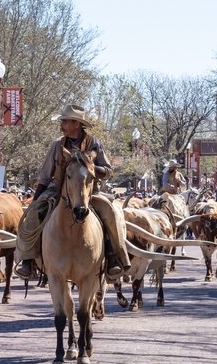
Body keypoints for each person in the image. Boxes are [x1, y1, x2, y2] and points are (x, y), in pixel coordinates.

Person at [14, 104, 130, 279]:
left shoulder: (94, 143)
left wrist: (93, 168)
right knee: (34, 213)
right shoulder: (57, 145)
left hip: (89, 191)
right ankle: (28, 259)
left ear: (76, 124)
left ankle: (114, 257)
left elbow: (108, 171)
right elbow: (46, 176)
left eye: (65, 122)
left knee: (110, 213)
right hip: (58, 189)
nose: (61, 125)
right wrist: (36, 201)